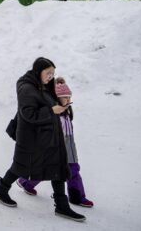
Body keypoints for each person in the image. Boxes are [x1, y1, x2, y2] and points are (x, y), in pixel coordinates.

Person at [0, 57, 85, 222]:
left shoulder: (43, 86)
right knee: (20, 166)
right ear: (38, 71)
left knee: (58, 167)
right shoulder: (27, 88)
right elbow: (29, 114)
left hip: (49, 137)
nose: (51, 76)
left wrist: (60, 97)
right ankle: (1, 190)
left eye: (53, 73)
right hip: (32, 138)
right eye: (48, 73)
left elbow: (51, 99)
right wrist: (52, 111)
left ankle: (62, 206)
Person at [16, 77, 93, 207]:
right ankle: (25, 182)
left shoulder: (67, 111)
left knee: (73, 170)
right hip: (53, 147)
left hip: (69, 147)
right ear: (57, 99)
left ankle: (77, 197)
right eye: (65, 97)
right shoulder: (52, 114)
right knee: (47, 170)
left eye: (69, 97)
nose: (69, 100)